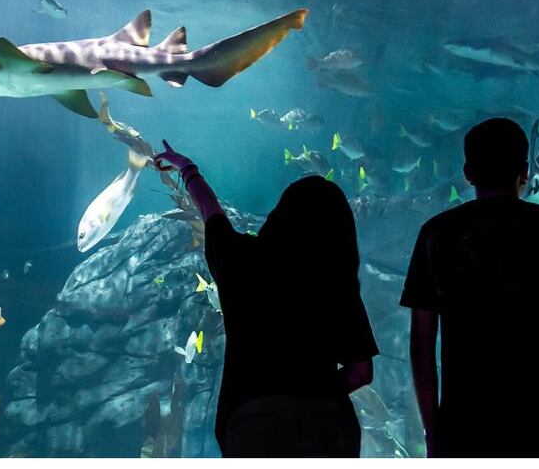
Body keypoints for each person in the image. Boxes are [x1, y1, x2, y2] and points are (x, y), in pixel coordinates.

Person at [154, 140, 379, 458]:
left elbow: (210, 211)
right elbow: (360, 372)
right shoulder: (334, 279)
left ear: (280, 214)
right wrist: (314, 391)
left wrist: (187, 168)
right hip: (328, 424)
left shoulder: (241, 259)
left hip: (253, 421)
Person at [399, 118, 539, 458]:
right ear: (524, 172)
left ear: (467, 173)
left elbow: (421, 344)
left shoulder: (437, 234)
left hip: (466, 423)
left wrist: (433, 430)